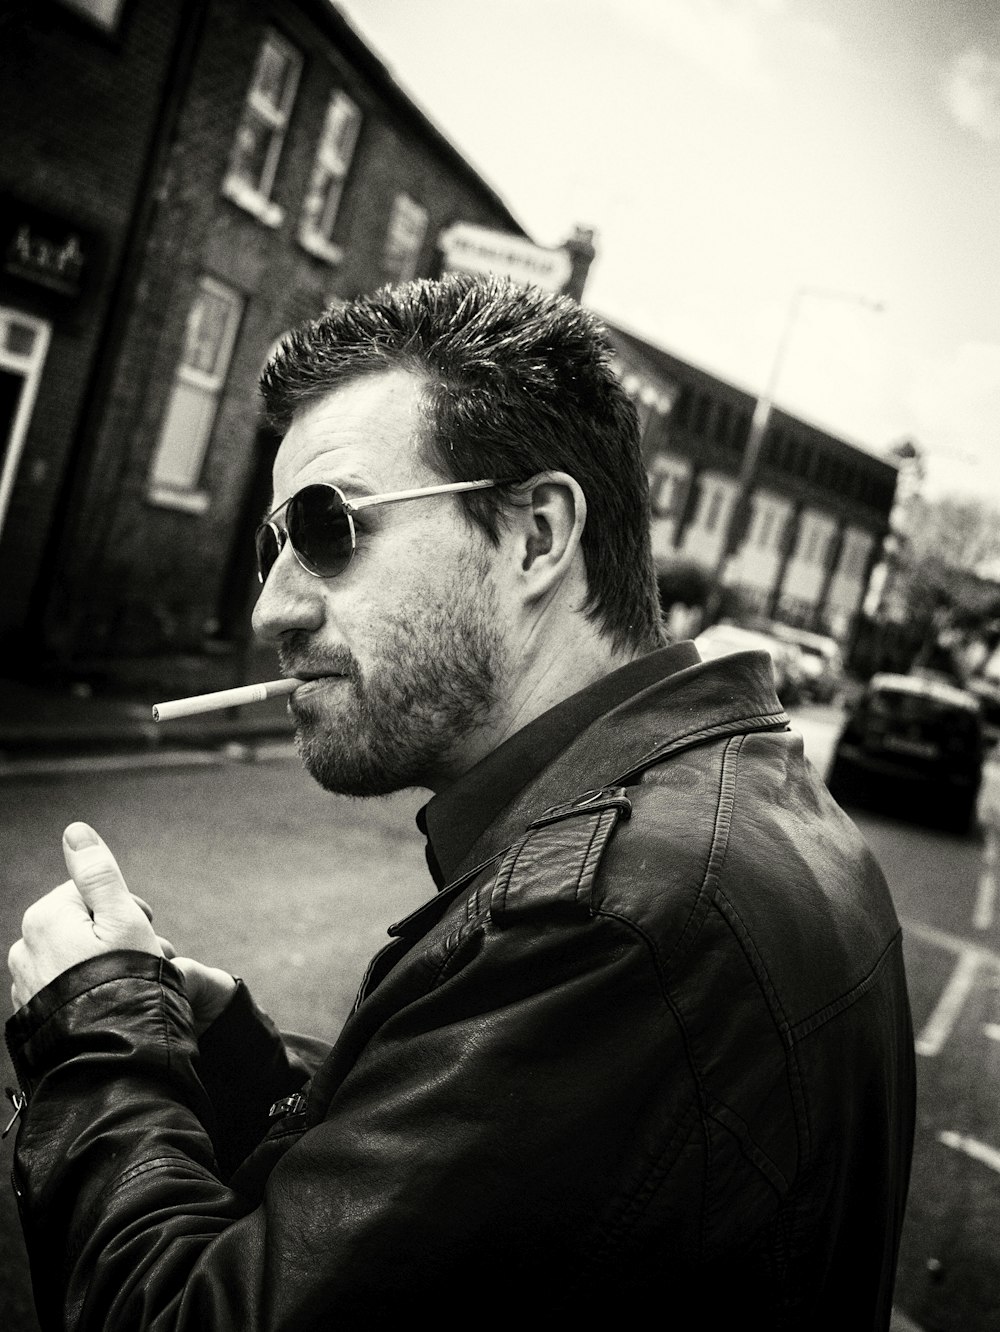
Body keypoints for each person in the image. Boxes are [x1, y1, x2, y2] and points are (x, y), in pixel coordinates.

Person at [6, 274, 914, 1329]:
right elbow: (497, 1195)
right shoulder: (724, 805)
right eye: (274, 544)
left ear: (534, 536)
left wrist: (100, 1037)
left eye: (326, 526)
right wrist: (228, 1060)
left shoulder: (613, 920)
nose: (272, 605)